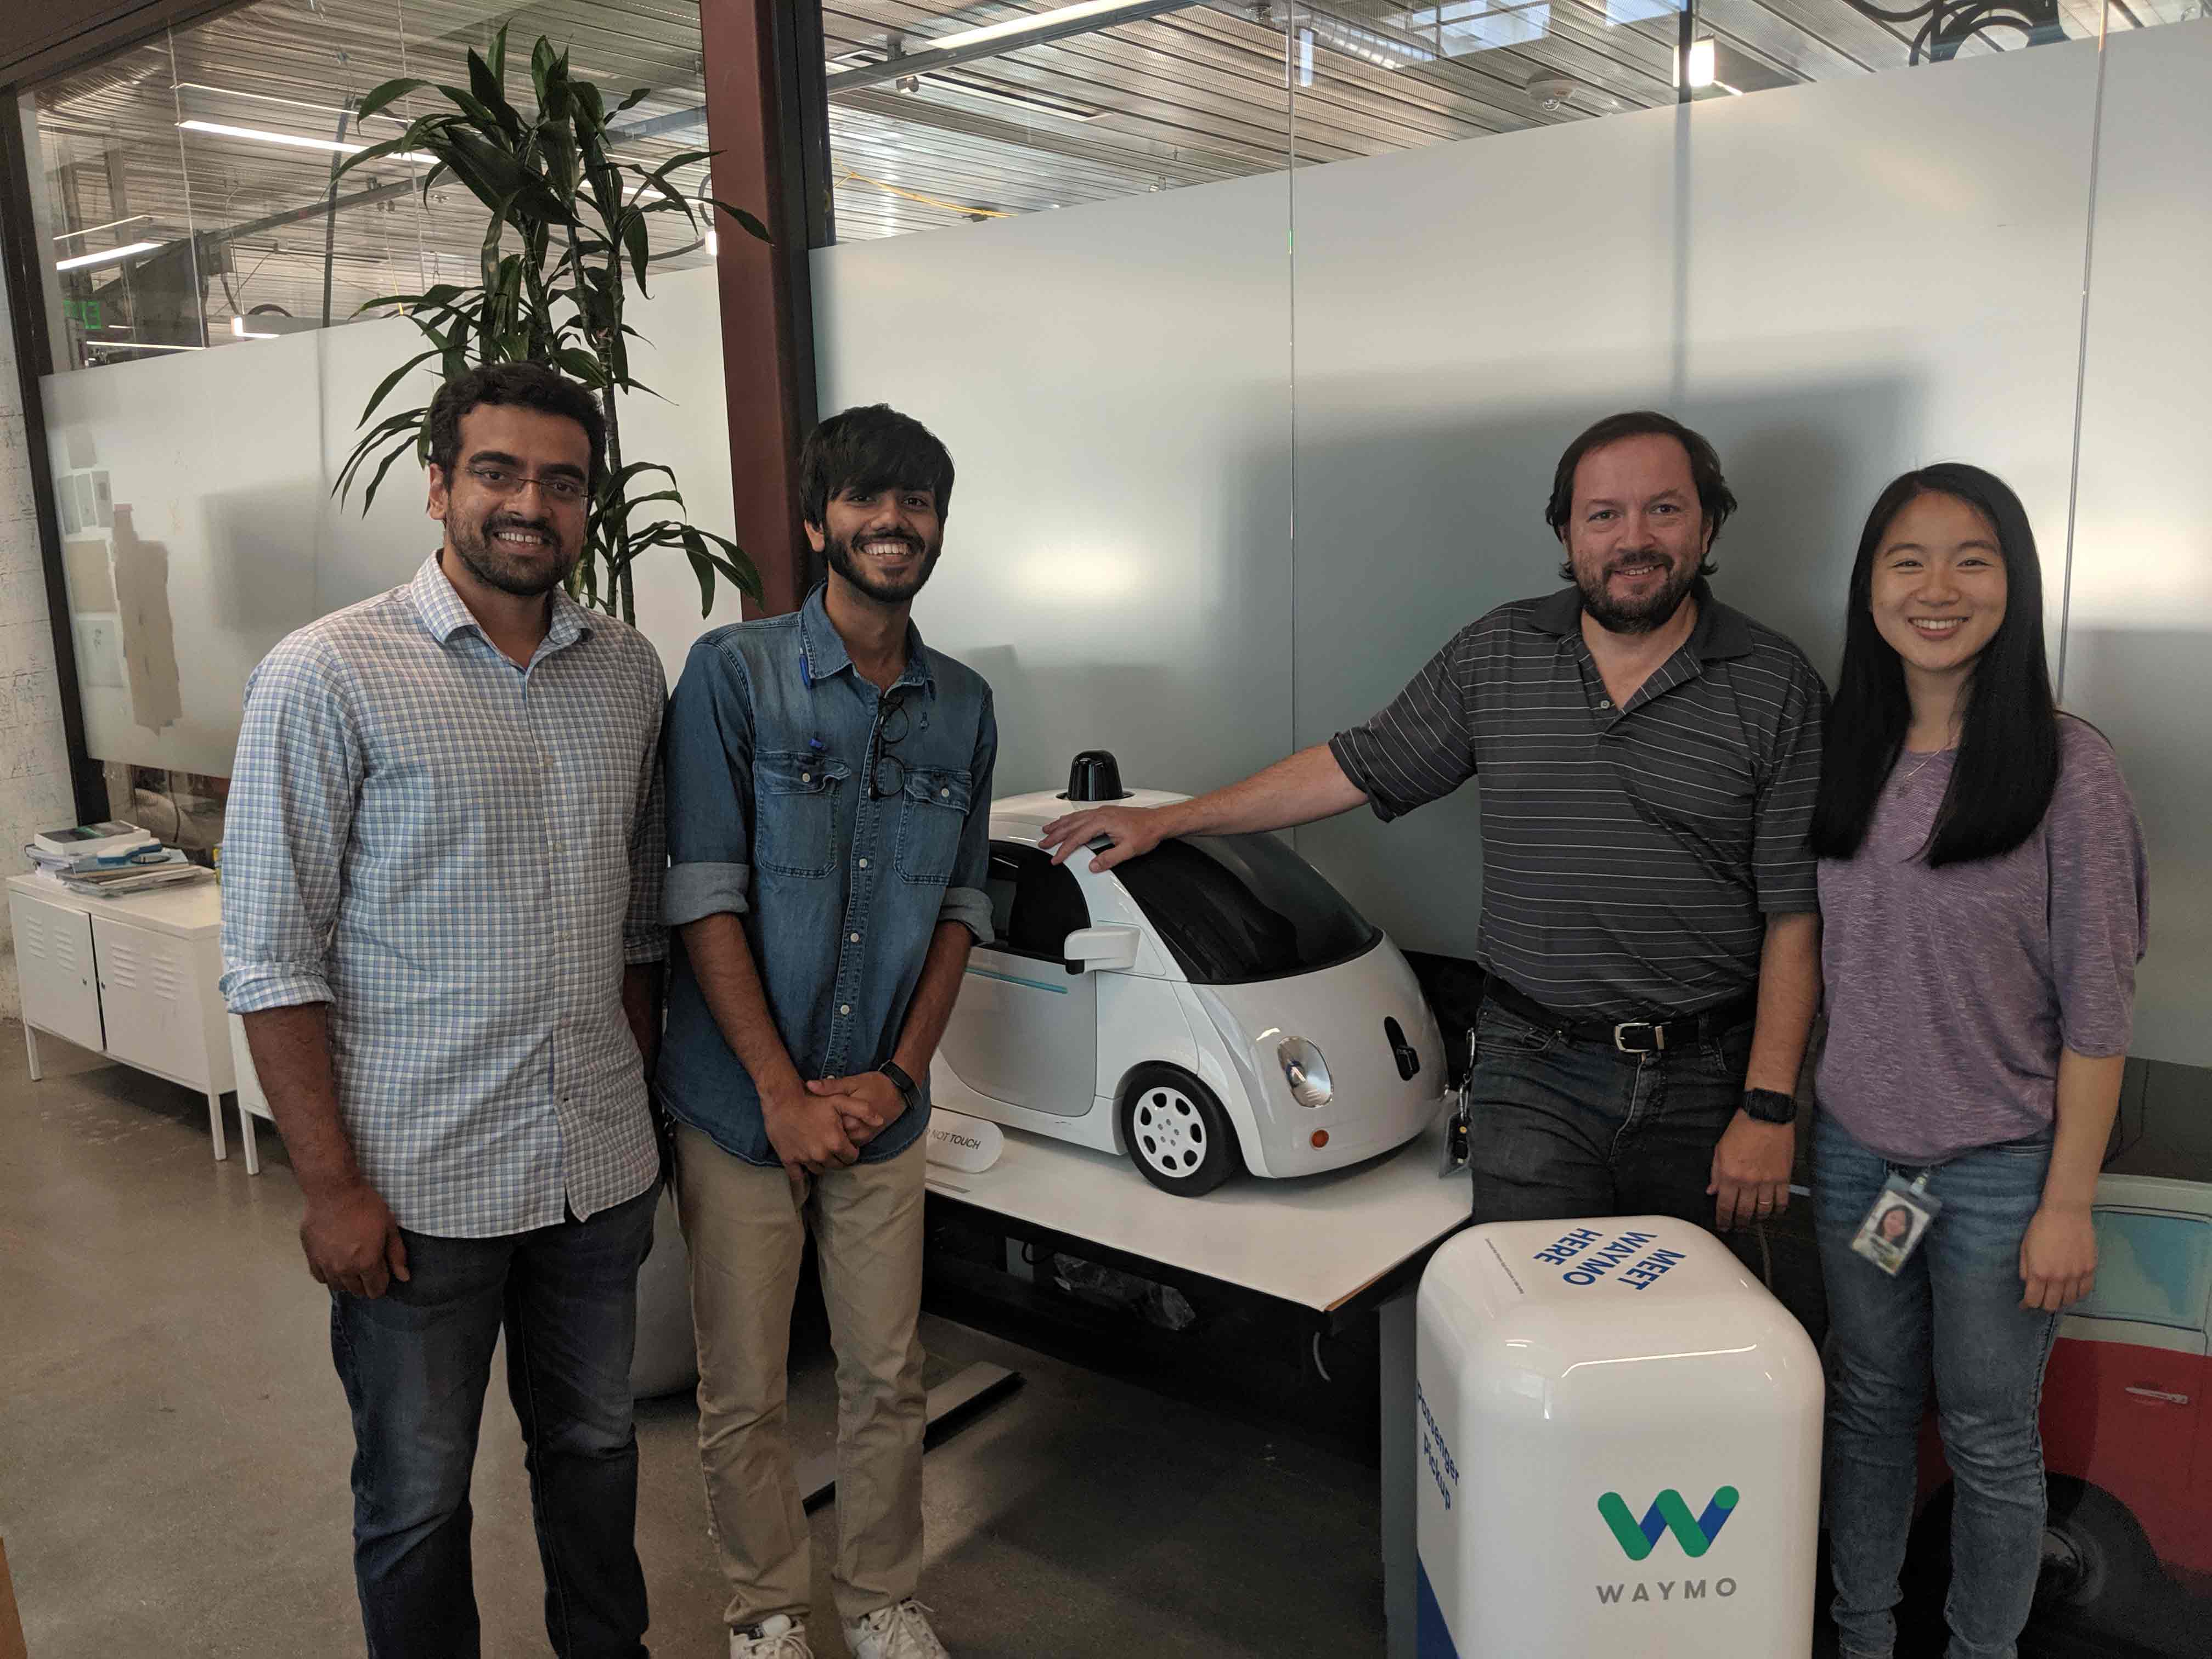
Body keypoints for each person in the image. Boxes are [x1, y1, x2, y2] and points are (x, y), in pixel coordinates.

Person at [1043, 410, 1826, 1237]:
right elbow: (1354, 765)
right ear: (1566, 530)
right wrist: (1176, 820)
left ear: (1707, 523)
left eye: (1663, 509)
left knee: (1684, 1337)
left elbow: (1796, 916)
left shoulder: (1775, 685)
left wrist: (1769, 1108)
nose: (1634, 538)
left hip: (1705, 1078)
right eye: (1604, 514)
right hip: (1534, 1075)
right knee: (1523, 1320)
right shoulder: (1498, 654)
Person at [221, 362, 668, 1658]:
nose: (531, 503)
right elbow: (270, 960)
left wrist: (638, 1109)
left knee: (593, 1455)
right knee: (416, 1500)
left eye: (562, 481)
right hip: (419, 1194)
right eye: (499, 472)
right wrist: (330, 1189)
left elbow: (637, 924)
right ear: (438, 486)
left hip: (595, 1176)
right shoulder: (326, 675)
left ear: (591, 506)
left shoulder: (628, 674)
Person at [658, 405, 995, 1659]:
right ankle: (762, 1614)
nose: (893, 523)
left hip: (882, 1102)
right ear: (816, 523)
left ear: (939, 529)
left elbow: (963, 906)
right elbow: (704, 893)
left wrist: (900, 1074)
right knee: (745, 1390)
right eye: (866, 500)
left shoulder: (962, 703)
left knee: (886, 1374)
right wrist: (782, 1092)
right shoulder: (732, 674)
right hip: (741, 1105)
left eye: (916, 504)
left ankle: (882, 1597)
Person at [1808, 464, 2147, 1659]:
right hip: (1858, 1162)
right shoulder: (1845, 751)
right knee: (1866, 1413)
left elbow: (2101, 1012)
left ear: (2016, 582)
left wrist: (2068, 1203)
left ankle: (1978, 1651)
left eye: (1973, 558)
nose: (1937, 588)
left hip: (2005, 1178)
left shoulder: (2068, 769)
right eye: (1907, 559)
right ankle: (1858, 1637)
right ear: (1870, 587)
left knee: (1991, 1435)